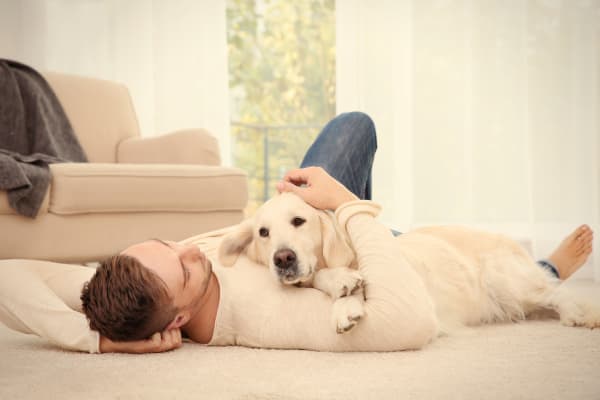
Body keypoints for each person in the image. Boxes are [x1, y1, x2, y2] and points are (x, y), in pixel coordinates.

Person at [0, 113, 594, 354]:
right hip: (361, 252)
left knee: (351, 128)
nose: (189, 247)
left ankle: (382, 226)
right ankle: (542, 274)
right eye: (183, 266)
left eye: (169, 242)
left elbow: (9, 274)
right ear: (178, 322)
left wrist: (104, 342)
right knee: (487, 278)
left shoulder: (142, 281)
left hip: (294, 232)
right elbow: (411, 321)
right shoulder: (267, 318)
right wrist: (348, 207)